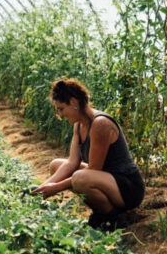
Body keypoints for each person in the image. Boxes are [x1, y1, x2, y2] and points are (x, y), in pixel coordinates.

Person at [31, 78, 145, 228]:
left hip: (127, 188)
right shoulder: (78, 125)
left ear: (73, 103)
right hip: (106, 181)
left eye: (61, 109)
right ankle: (100, 212)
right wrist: (42, 188)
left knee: (79, 178)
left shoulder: (100, 124)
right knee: (56, 166)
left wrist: (56, 188)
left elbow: (93, 171)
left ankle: (113, 218)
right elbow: (72, 162)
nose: (60, 115)